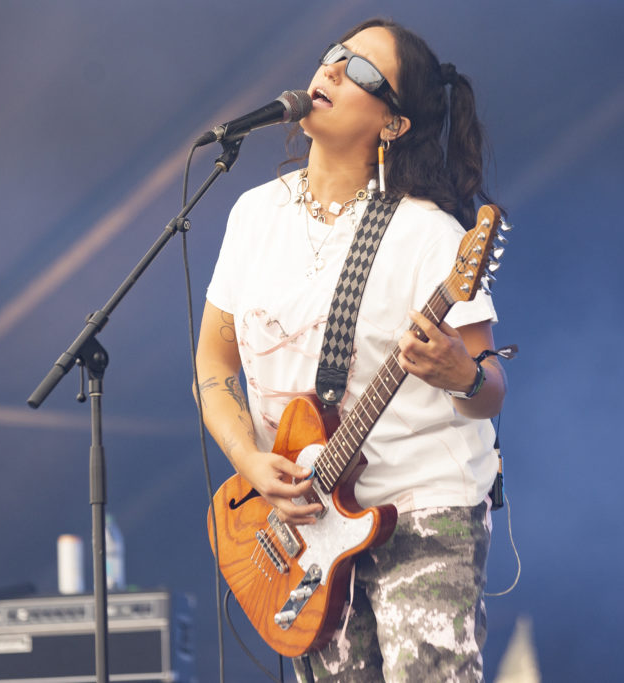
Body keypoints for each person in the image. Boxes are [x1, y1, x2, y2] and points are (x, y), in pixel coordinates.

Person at [195, 17, 507, 682]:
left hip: (422, 505)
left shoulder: (429, 235)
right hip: (308, 520)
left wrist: (461, 374)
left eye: (361, 69)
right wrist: (250, 461)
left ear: (394, 123)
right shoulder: (255, 215)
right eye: (334, 54)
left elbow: (490, 389)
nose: (333, 69)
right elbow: (214, 366)